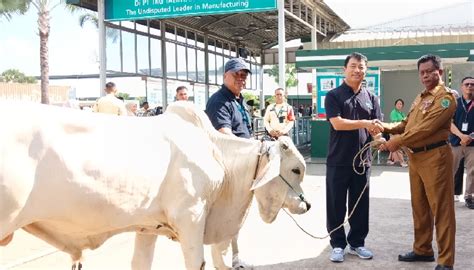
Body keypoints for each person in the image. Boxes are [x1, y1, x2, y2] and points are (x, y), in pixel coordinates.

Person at [379, 54, 456, 270]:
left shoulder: (445, 98)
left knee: (441, 209)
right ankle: (423, 250)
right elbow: (407, 123)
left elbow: (426, 129)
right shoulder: (421, 97)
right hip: (416, 157)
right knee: (420, 207)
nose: (424, 76)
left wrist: (396, 141)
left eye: (429, 72)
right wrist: (384, 126)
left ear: (439, 72)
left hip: (435, 158)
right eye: (421, 72)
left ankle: (446, 260)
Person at [324, 52, 382, 263]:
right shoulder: (334, 95)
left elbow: (377, 129)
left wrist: (383, 139)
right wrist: (366, 124)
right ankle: (338, 244)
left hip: (362, 163)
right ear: (345, 69)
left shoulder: (372, 98)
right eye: (354, 66)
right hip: (338, 161)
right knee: (336, 204)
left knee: (359, 205)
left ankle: (357, 243)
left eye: (361, 67)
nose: (357, 70)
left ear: (366, 70)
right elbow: (337, 123)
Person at [205, 57, 252, 268]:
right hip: (227, 167)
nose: (240, 79)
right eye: (236, 75)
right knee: (225, 217)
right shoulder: (219, 100)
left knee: (235, 217)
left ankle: (234, 257)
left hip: (240, 165)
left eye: (243, 75)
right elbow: (225, 135)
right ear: (225, 76)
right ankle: (224, 262)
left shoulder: (237, 99)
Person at [449, 76, 474, 209]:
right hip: (456, 143)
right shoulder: (454, 103)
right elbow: (449, 122)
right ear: (462, 87)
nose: (469, 86)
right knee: (451, 170)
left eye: (472, 84)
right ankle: (448, 196)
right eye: (467, 84)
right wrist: (461, 136)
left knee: (472, 172)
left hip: (472, 145)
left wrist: (469, 136)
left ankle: (469, 197)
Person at [386, 99, 408, 167]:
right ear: (395, 105)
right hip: (394, 131)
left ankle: (390, 160)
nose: (399, 105)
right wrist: (402, 121)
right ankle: (402, 162)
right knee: (398, 147)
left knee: (394, 146)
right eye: (398, 104)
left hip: (400, 132)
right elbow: (395, 121)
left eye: (401, 104)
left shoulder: (402, 113)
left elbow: (405, 122)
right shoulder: (393, 112)